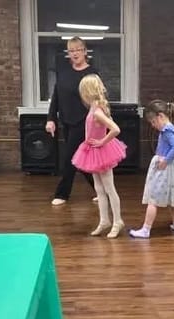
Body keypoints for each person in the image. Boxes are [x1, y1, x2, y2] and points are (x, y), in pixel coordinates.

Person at [71, 74, 126, 238]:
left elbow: (115, 129)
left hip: (101, 151)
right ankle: (104, 221)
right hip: (92, 150)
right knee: (99, 188)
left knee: (109, 188)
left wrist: (102, 141)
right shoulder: (95, 108)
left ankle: (117, 221)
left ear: (87, 92)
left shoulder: (97, 112)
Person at [46, 36, 98, 206]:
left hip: (84, 122)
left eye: (78, 50)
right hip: (67, 121)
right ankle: (101, 190)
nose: (75, 53)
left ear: (84, 51)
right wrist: (51, 119)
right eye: (71, 50)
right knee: (80, 159)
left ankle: (62, 194)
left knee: (70, 158)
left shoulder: (92, 73)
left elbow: (98, 99)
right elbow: (57, 96)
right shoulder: (64, 72)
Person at [129, 100, 174, 238]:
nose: (153, 125)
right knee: (172, 197)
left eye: (153, 122)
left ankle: (146, 229)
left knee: (153, 198)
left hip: (165, 168)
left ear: (160, 116)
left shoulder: (167, 130)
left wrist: (166, 160)